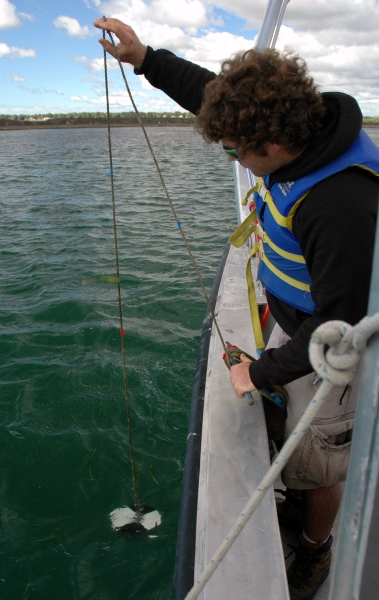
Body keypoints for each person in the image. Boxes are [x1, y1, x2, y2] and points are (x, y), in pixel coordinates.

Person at [94, 17, 379, 600]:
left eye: (234, 152)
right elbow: (210, 96)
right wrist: (145, 57)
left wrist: (259, 371)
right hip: (294, 321)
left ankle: (317, 549)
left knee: (321, 462)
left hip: (336, 351)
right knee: (291, 427)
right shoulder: (291, 124)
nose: (234, 159)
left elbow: (339, 327)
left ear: (271, 146)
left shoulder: (339, 202)